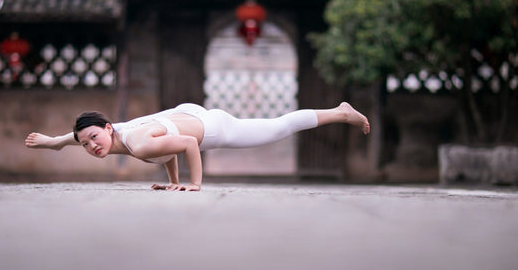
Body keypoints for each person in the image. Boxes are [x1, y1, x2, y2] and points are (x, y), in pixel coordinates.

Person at [25, 102, 370, 191]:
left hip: (213, 128)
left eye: (95, 139)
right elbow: (82, 134)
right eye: (85, 145)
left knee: (278, 127)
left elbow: (188, 144)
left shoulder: (137, 143)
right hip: (184, 112)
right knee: (159, 141)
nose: (91, 146)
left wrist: (194, 183)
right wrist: (55, 141)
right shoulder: (112, 132)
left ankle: (339, 112)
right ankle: (57, 144)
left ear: (108, 129)